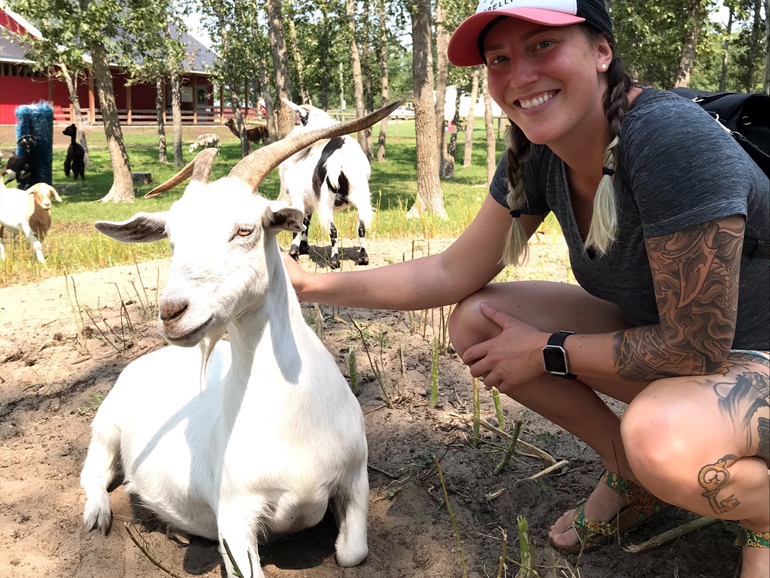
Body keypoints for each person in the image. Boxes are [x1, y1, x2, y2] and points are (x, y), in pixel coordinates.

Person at [283, 0, 770, 574]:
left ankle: (761, 518)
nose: (519, 76)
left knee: (660, 441)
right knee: (479, 321)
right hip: (683, 344)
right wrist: (309, 283)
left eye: (543, 45)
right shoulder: (538, 153)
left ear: (602, 52)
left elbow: (694, 349)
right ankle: (629, 475)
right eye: (499, 59)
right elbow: (449, 273)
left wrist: (547, 350)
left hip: (746, 350)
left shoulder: (669, 141)